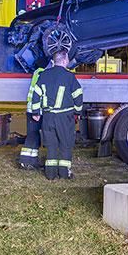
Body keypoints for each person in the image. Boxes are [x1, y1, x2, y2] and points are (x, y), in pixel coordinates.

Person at [28, 50, 83, 179]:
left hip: (48, 117)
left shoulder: (44, 75)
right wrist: (77, 111)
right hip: (65, 117)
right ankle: (64, 173)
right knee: (65, 144)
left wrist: (36, 112)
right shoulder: (69, 77)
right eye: (68, 58)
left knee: (51, 145)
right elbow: (78, 95)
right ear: (64, 61)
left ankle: (50, 174)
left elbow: (36, 95)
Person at [18, 66, 46, 170]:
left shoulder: (38, 72)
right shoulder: (42, 73)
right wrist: (36, 112)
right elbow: (37, 94)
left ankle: (31, 162)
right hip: (35, 111)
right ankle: (25, 162)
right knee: (33, 136)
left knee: (34, 136)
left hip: (34, 110)